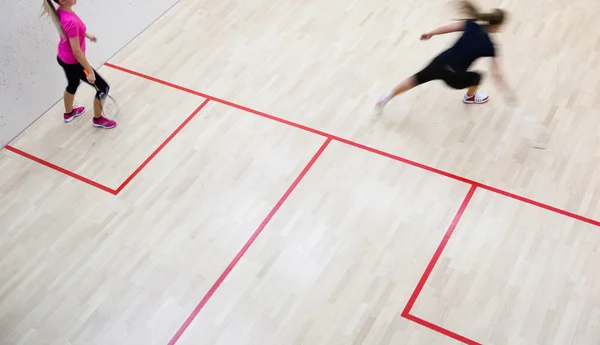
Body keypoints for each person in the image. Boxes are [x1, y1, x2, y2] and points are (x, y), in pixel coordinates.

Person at [376, 1, 516, 112]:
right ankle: (470, 97)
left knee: (415, 79)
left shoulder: (471, 25)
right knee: (477, 77)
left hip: (439, 61)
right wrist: (506, 92)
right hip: (453, 76)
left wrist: (431, 33)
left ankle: (388, 96)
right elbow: (496, 73)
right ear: (497, 25)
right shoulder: (490, 46)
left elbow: (449, 28)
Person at [42, 0, 116, 129]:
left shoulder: (62, 11)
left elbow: (72, 32)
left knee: (73, 83)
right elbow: (77, 52)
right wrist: (90, 71)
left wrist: (86, 35)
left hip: (63, 57)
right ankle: (98, 119)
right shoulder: (70, 20)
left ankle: (69, 113)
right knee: (103, 88)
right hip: (74, 62)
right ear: (62, 1)